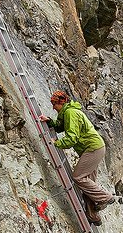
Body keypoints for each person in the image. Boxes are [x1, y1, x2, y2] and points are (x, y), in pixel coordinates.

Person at [39, 90, 114, 226]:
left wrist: (56, 143)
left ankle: (105, 198)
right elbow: (62, 127)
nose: (53, 107)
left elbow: (72, 138)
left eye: (54, 104)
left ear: (61, 103)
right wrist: (50, 122)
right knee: (87, 183)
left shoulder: (70, 113)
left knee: (78, 177)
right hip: (94, 148)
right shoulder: (68, 112)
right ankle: (93, 215)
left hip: (93, 148)